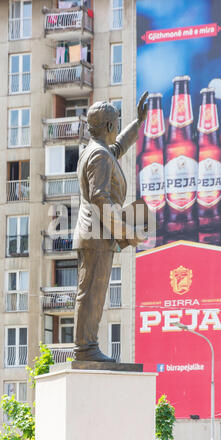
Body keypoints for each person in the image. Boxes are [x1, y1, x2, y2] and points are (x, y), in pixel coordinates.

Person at [73, 92, 149, 362]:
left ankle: (87, 346)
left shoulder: (97, 151)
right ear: (108, 127)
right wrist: (128, 232)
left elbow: (118, 147)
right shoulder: (98, 156)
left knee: (93, 292)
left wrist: (137, 123)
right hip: (96, 236)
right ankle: (86, 348)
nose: (117, 127)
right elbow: (99, 198)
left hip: (96, 236)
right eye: (116, 123)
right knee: (91, 293)